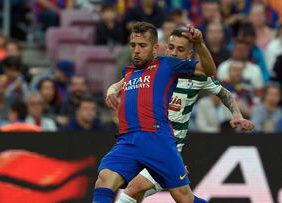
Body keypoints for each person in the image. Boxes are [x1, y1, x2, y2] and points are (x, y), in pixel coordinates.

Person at [108, 28, 255, 203]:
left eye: (180, 49)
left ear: (189, 54)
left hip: (167, 148)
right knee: (142, 194)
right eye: (171, 47)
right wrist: (114, 87)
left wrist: (236, 114)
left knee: (132, 191)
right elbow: (129, 78)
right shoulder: (154, 67)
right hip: (146, 143)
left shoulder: (197, 77)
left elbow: (224, 93)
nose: (174, 53)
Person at [93, 22, 216, 203]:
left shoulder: (168, 65)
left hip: (157, 140)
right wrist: (112, 89)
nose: (136, 50)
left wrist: (199, 44)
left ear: (155, 48)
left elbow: (209, 70)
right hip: (127, 141)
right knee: (103, 180)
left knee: (184, 198)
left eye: (142, 46)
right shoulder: (129, 73)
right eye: (133, 45)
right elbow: (116, 86)